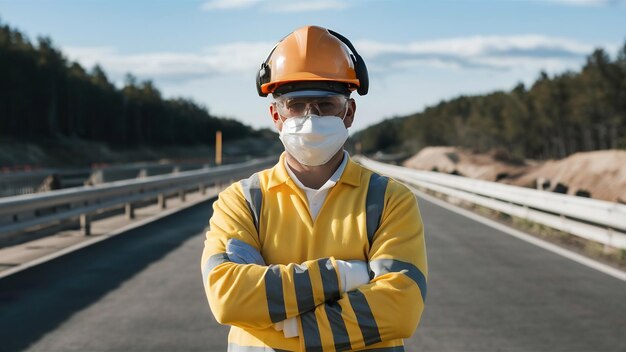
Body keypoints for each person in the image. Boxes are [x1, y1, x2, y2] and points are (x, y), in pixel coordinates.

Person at [201, 25, 427, 351]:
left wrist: (286, 324)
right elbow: (228, 298)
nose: (310, 118)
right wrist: (346, 276)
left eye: (326, 105)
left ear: (349, 112)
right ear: (275, 115)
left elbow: (400, 309)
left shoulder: (390, 199)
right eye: (295, 104)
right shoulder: (241, 200)